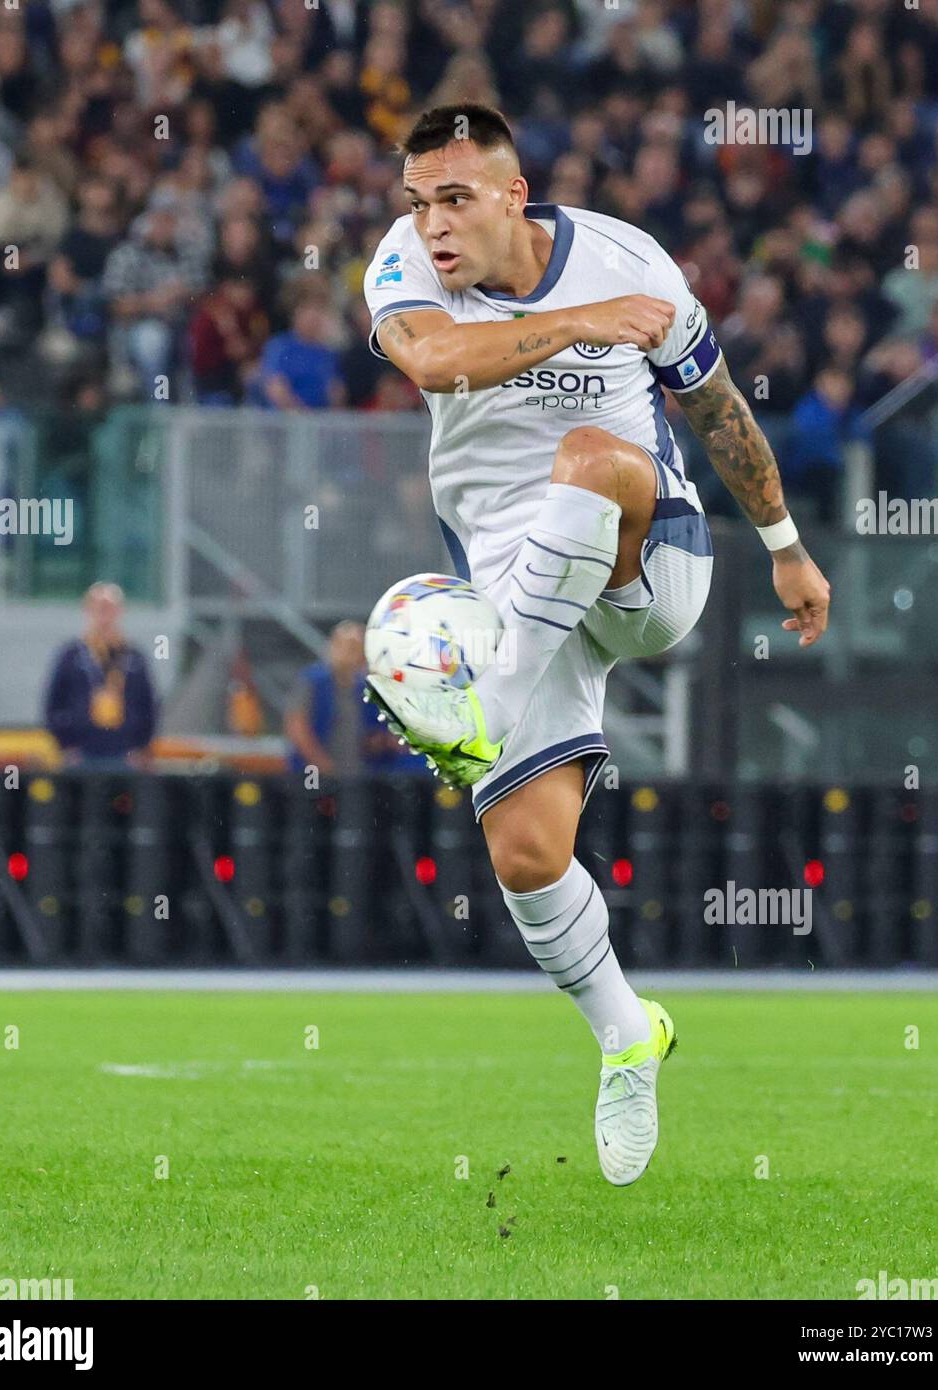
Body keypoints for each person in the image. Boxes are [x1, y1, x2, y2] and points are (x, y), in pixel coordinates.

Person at [362, 105, 831, 1188]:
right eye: (418, 201)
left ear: (514, 195)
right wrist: (579, 328)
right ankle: (629, 1034)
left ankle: (483, 698)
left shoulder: (630, 262)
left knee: (590, 451)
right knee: (526, 856)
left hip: (644, 557)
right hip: (518, 586)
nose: (432, 225)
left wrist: (787, 546)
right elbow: (434, 362)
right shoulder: (403, 271)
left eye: (456, 199)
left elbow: (717, 413)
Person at [43, 582, 158, 767]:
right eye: (99, 608)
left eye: (110, 608)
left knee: (122, 797)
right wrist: (66, 746)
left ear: (120, 611)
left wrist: (141, 747)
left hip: (125, 754)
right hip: (81, 754)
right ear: (87, 610)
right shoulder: (71, 655)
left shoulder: (134, 656)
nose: (105, 614)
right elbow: (53, 703)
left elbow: (149, 705)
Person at [285, 620, 410, 778]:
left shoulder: (364, 687)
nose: (351, 654)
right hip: (314, 772)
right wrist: (320, 763)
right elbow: (297, 726)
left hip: (356, 773)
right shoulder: (313, 682)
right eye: (347, 647)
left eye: (357, 649)